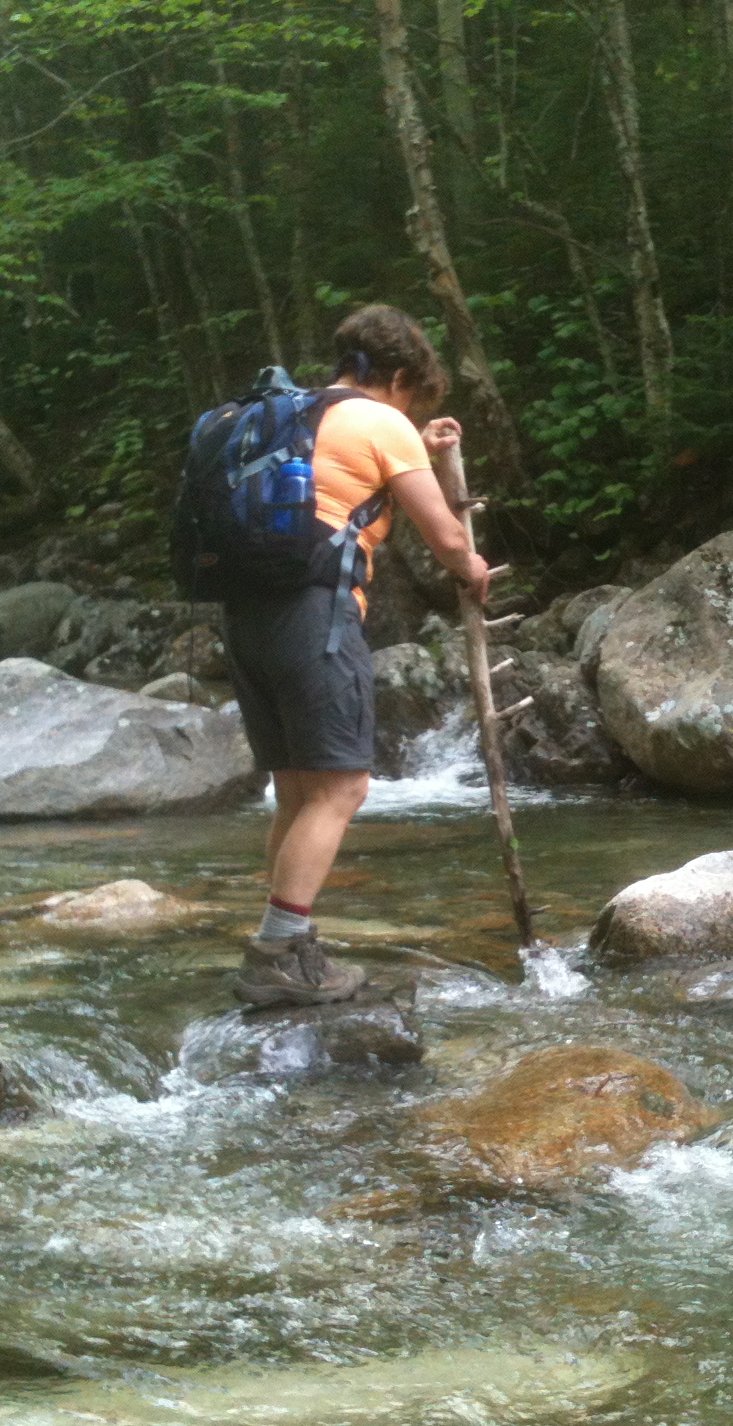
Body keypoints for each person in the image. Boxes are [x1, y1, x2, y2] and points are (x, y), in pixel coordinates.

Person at [213, 305, 491, 1006]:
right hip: (316, 616)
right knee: (342, 789)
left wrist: (414, 445)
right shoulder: (382, 422)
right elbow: (447, 541)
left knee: (299, 789)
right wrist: (476, 571)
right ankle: (278, 950)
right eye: (411, 398)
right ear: (398, 377)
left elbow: (345, 478)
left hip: (246, 616)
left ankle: (282, 945)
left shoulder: (294, 417)